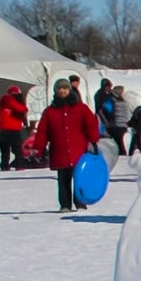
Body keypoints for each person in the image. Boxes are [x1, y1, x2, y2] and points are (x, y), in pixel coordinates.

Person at [33, 75, 100, 212]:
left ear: (69, 90)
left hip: (78, 151)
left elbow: (91, 124)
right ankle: (65, 205)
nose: (62, 91)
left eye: (65, 88)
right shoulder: (50, 111)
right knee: (63, 180)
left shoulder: (81, 108)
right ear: (56, 91)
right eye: (59, 89)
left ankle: (80, 203)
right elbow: (42, 132)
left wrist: (93, 140)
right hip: (59, 151)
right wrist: (38, 148)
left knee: (79, 179)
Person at [0, 85, 29, 170]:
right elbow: (22, 108)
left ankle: (6, 165)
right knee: (14, 149)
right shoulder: (7, 99)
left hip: (9, 128)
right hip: (11, 129)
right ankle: (16, 165)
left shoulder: (7, 99)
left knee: (8, 149)